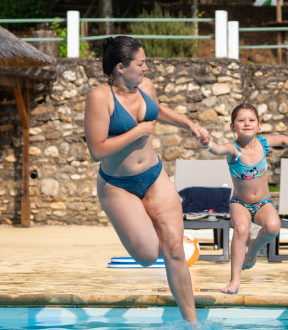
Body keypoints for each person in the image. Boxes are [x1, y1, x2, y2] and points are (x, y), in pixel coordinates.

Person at [83, 35, 210, 325]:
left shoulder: (145, 87)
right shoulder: (100, 97)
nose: (146, 68)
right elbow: (96, 150)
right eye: (141, 63)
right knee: (148, 255)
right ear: (119, 68)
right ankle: (150, 230)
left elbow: (157, 110)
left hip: (154, 177)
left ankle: (193, 324)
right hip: (118, 185)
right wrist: (137, 132)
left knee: (175, 250)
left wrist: (190, 124)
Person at [201, 103, 288, 294]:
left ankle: (252, 252)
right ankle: (234, 281)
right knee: (241, 230)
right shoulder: (233, 150)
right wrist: (207, 143)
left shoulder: (263, 143)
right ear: (233, 127)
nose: (246, 123)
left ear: (259, 125)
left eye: (251, 120)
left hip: (263, 202)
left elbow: (283, 139)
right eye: (241, 120)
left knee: (273, 228)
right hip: (240, 203)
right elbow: (217, 149)